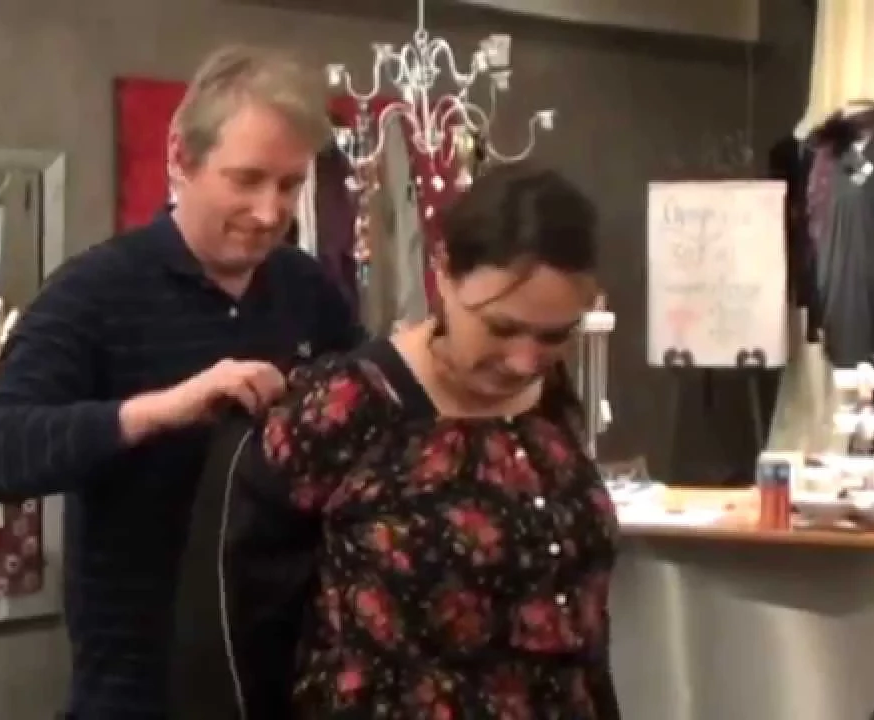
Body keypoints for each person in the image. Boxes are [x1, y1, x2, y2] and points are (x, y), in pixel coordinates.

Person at [0, 45, 363, 719]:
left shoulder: (309, 291)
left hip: (286, 684)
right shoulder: (94, 291)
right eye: (246, 179)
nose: (270, 212)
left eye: (289, 185)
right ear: (180, 157)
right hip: (138, 696)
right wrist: (159, 412)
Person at [171, 162, 621, 718]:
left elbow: (581, 624)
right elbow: (235, 619)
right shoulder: (350, 406)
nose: (525, 361)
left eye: (555, 335)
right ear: (444, 273)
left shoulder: (549, 402)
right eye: (501, 328)